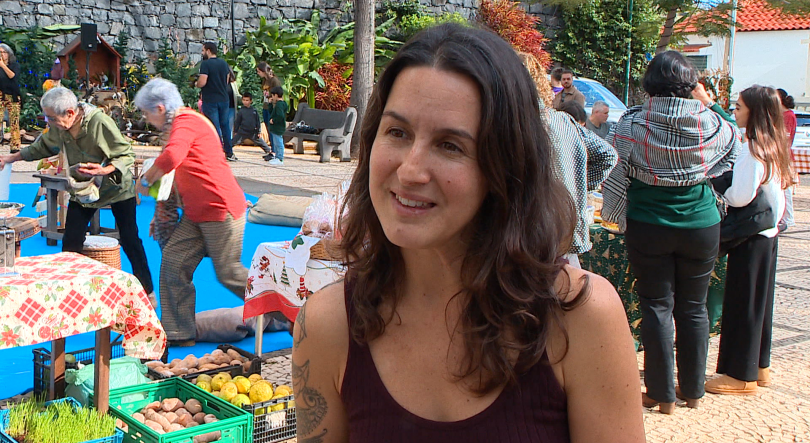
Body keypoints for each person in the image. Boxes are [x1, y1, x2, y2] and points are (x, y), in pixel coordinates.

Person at [292, 23, 645, 442]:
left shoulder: (579, 317)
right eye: (398, 132)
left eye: (450, 145)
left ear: (506, 167)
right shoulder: (328, 325)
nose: (409, 170)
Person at [601, 50, 740, 414]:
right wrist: (704, 172)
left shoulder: (631, 123)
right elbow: (732, 149)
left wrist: (615, 212)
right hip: (701, 222)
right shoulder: (712, 123)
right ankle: (693, 391)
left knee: (656, 306)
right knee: (694, 307)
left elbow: (616, 173)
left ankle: (662, 396)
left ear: (650, 82)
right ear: (690, 83)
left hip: (649, 223)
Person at [0, 87, 155, 303]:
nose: (49, 122)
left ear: (71, 113)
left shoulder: (99, 122)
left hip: (116, 189)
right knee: (71, 241)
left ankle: (147, 292)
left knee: (130, 239)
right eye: (47, 117)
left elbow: (125, 154)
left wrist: (104, 170)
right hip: (83, 190)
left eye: (52, 118)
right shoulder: (59, 126)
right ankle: (71, 293)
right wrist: (11, 158)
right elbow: (42, 147)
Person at [134, 78, 249, 347]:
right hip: (197, 213)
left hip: (220, 209)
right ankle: (179, 333)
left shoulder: (186, 122)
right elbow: (176, 173)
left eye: (146, 112)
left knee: (228, 273)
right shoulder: (178, 125)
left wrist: (146, 179)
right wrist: (159, 212)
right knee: (174, 265)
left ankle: (291, 311)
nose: (145, 118)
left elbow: (172, 158)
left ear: (160, 108)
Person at [705, 86, 795, 395]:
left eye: (740, 107)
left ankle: (740, 375)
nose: (735, 111)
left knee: (743, 303)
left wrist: (722, 190)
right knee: (760, 303)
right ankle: (759, 366)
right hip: (768, 233)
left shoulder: (753, 149)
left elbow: (742, 196)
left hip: (751, 234)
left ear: (754, 112)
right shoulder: (774, 144)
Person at [519, 51, 617, 269]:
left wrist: (580, 185)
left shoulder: (508, 122)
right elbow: (607, 155)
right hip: (561, 238)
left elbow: (608, 155)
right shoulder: (563, 120)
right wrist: (578, 186)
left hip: (524, 241)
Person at [196, 42, 236, 161]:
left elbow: (203, 81)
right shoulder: (224, 63)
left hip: (210, 99)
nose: (202, 53)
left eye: (203, 51)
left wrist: (196, 84)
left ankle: (217, 152)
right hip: (223, 98)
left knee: (214, 126)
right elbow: (227, 79)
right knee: (225, 126)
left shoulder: (206, 64)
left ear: (208, 51)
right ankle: (229, 152)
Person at [232, 92, 274, 161]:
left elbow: (258, 121)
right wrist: (235, 131)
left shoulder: (254, 111)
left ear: (251, 101)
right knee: (234, 142)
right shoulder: (241, 111)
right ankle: (225, 151)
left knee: (262, 143)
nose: (245, 102)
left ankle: (270, 153)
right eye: (244, 100)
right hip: (243, 131)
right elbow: (237, 122)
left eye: (247, 100)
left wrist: (259, 131)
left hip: (253, 132)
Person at [777, 88, 796, 231]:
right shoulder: (780, 115)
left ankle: (788, 218)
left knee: (786, 187)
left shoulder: (788, 115)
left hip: (784, 155)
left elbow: (786, 136)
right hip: (779, 154)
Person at [0, 43, 21, 153]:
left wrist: (3, 65)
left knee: (14, 121)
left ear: (8, 54)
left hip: (12, 95)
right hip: (0, 95)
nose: (1, 55)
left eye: (3, 52)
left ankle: (15, 145)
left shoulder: (14, 65)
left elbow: (12, 76)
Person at [257, 61, 282, 132]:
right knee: (267, 126)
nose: (258, 73)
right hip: (265, 105)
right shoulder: (265, 80)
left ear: (264, 71)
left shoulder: (274, 80)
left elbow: (279, 94)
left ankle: (274, 143)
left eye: (259, 71)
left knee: (272, 128)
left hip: (272, 106)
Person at [266, 86, 287, 165]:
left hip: (278, 127)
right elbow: (272, 112)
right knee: (276, 142)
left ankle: (280, 158)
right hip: (276, 127)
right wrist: (270, 104)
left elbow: (280, 115)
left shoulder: (279, 105)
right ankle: (277, 157)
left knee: (278, 143)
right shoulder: (280, 104)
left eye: (272, 95)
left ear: (276, 95)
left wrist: (274, 120)